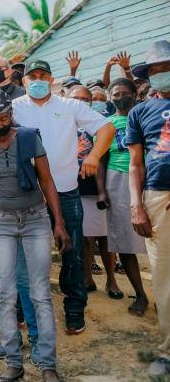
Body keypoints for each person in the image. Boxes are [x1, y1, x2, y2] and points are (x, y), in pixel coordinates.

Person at [0, 90, 70, 382]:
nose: (0, 123)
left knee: (40, 292)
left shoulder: (29, 138)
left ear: (11, 114)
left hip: (35, 219)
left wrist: (59, 223)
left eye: (5, 117)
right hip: (0, 221)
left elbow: (47, 181)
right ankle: (14, 361)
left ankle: (47, 364)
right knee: (5, 292)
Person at [12, 59, 115, 335]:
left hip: (66, 191)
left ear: (51, 79)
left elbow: (107, 129)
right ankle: (24, 306)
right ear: (23, 81)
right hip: (28, 194)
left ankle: (74, 308)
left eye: (42, 75)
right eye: (31, 75)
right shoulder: (15, 108)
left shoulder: (70, 106)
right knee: (26, 253)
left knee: (72, 252)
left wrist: (93, 156)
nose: (36, 79)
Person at [128, 40, 170, 377]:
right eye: (155, 71)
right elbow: (135, 165)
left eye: (166, 68)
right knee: (164, 277)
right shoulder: (139, 112)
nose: (161, 74)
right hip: (157, 198)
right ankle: (169, 350)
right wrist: (136, 205)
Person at [66, 86, 121, 299]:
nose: (81, 102)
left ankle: (111, 279)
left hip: (96, 189)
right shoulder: (62, 123)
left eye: (85, 99)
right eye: (76, 98)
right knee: (85, 238)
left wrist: (102, 190)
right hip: (72, 188)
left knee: (105, 236)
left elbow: (104, 157)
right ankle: (87, 277)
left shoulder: (98, 124)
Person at [102, 77, 149, 316]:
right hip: (117, 180)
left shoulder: (145, 114)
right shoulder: (107, 125)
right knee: (124, 240)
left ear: (135, 93)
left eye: (124, 93)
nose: (120, 97)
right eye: (115, 94)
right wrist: (102, 191)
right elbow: (100, 158)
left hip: (151, 178)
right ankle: (141, 294)